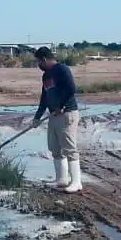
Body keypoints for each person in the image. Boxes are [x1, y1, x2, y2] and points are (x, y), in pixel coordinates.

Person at [29, 46, 82, 192]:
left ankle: (76, 182)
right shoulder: (46, 76)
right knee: (55, 148)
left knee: (69, 148)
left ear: (44, 59)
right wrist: (37, 117)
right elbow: (44, 97)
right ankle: (61, 179)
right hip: (53, 116)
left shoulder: (61, 69)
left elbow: (71, 88)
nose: (38, 65)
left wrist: (61, 105)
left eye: (38, 62)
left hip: (66, 114)